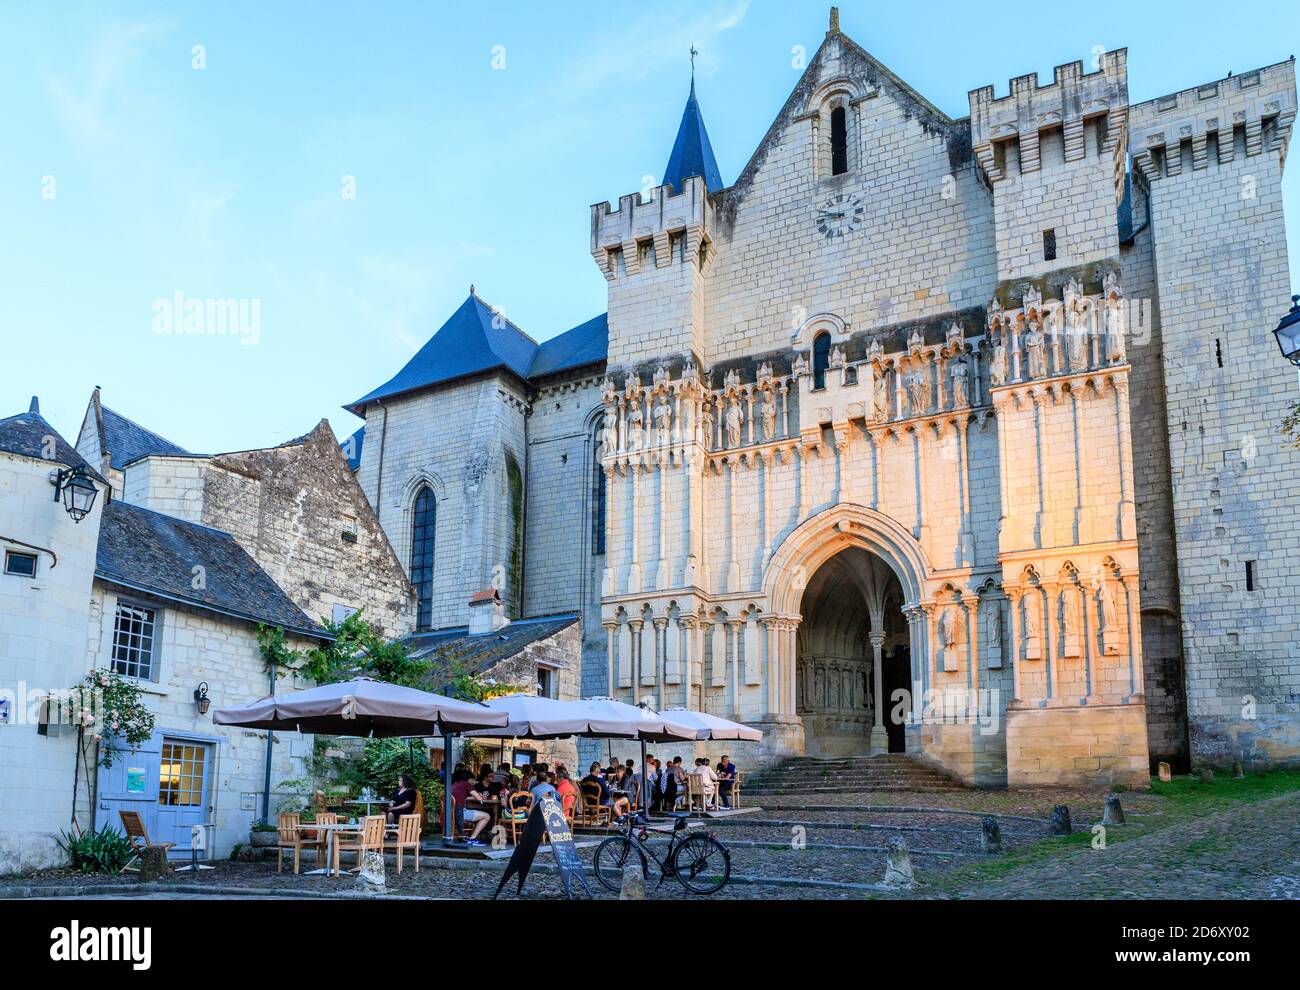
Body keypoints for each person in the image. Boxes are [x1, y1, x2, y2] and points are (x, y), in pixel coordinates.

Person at [451, 773, 491, 846]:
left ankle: (471, 836)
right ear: (470, 780)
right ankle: (472, 839)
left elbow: (464, 797)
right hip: (460, 813)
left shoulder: (456, 784)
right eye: (474, 780)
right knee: (487, 816)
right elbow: (480, 798)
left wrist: (476, 796)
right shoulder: (467, 784)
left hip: (451, 813)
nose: (475, 782)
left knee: (481, 815)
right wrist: (480, 796)